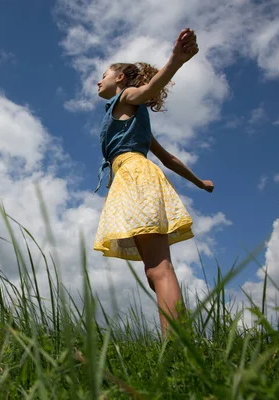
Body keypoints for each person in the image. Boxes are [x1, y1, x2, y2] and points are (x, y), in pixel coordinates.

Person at [93, 28, 214, 336]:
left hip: (135, 177)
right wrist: (199, 182)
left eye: (104, 75)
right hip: (131, 179)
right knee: (153, 271)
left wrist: (176, 60)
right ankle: (173, 339)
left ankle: (177, 345)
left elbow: (147, 89)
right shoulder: (132, 119)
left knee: (159, 269)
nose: (98, 80)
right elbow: (169, 158)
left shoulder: (128, 97)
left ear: (120, 79)